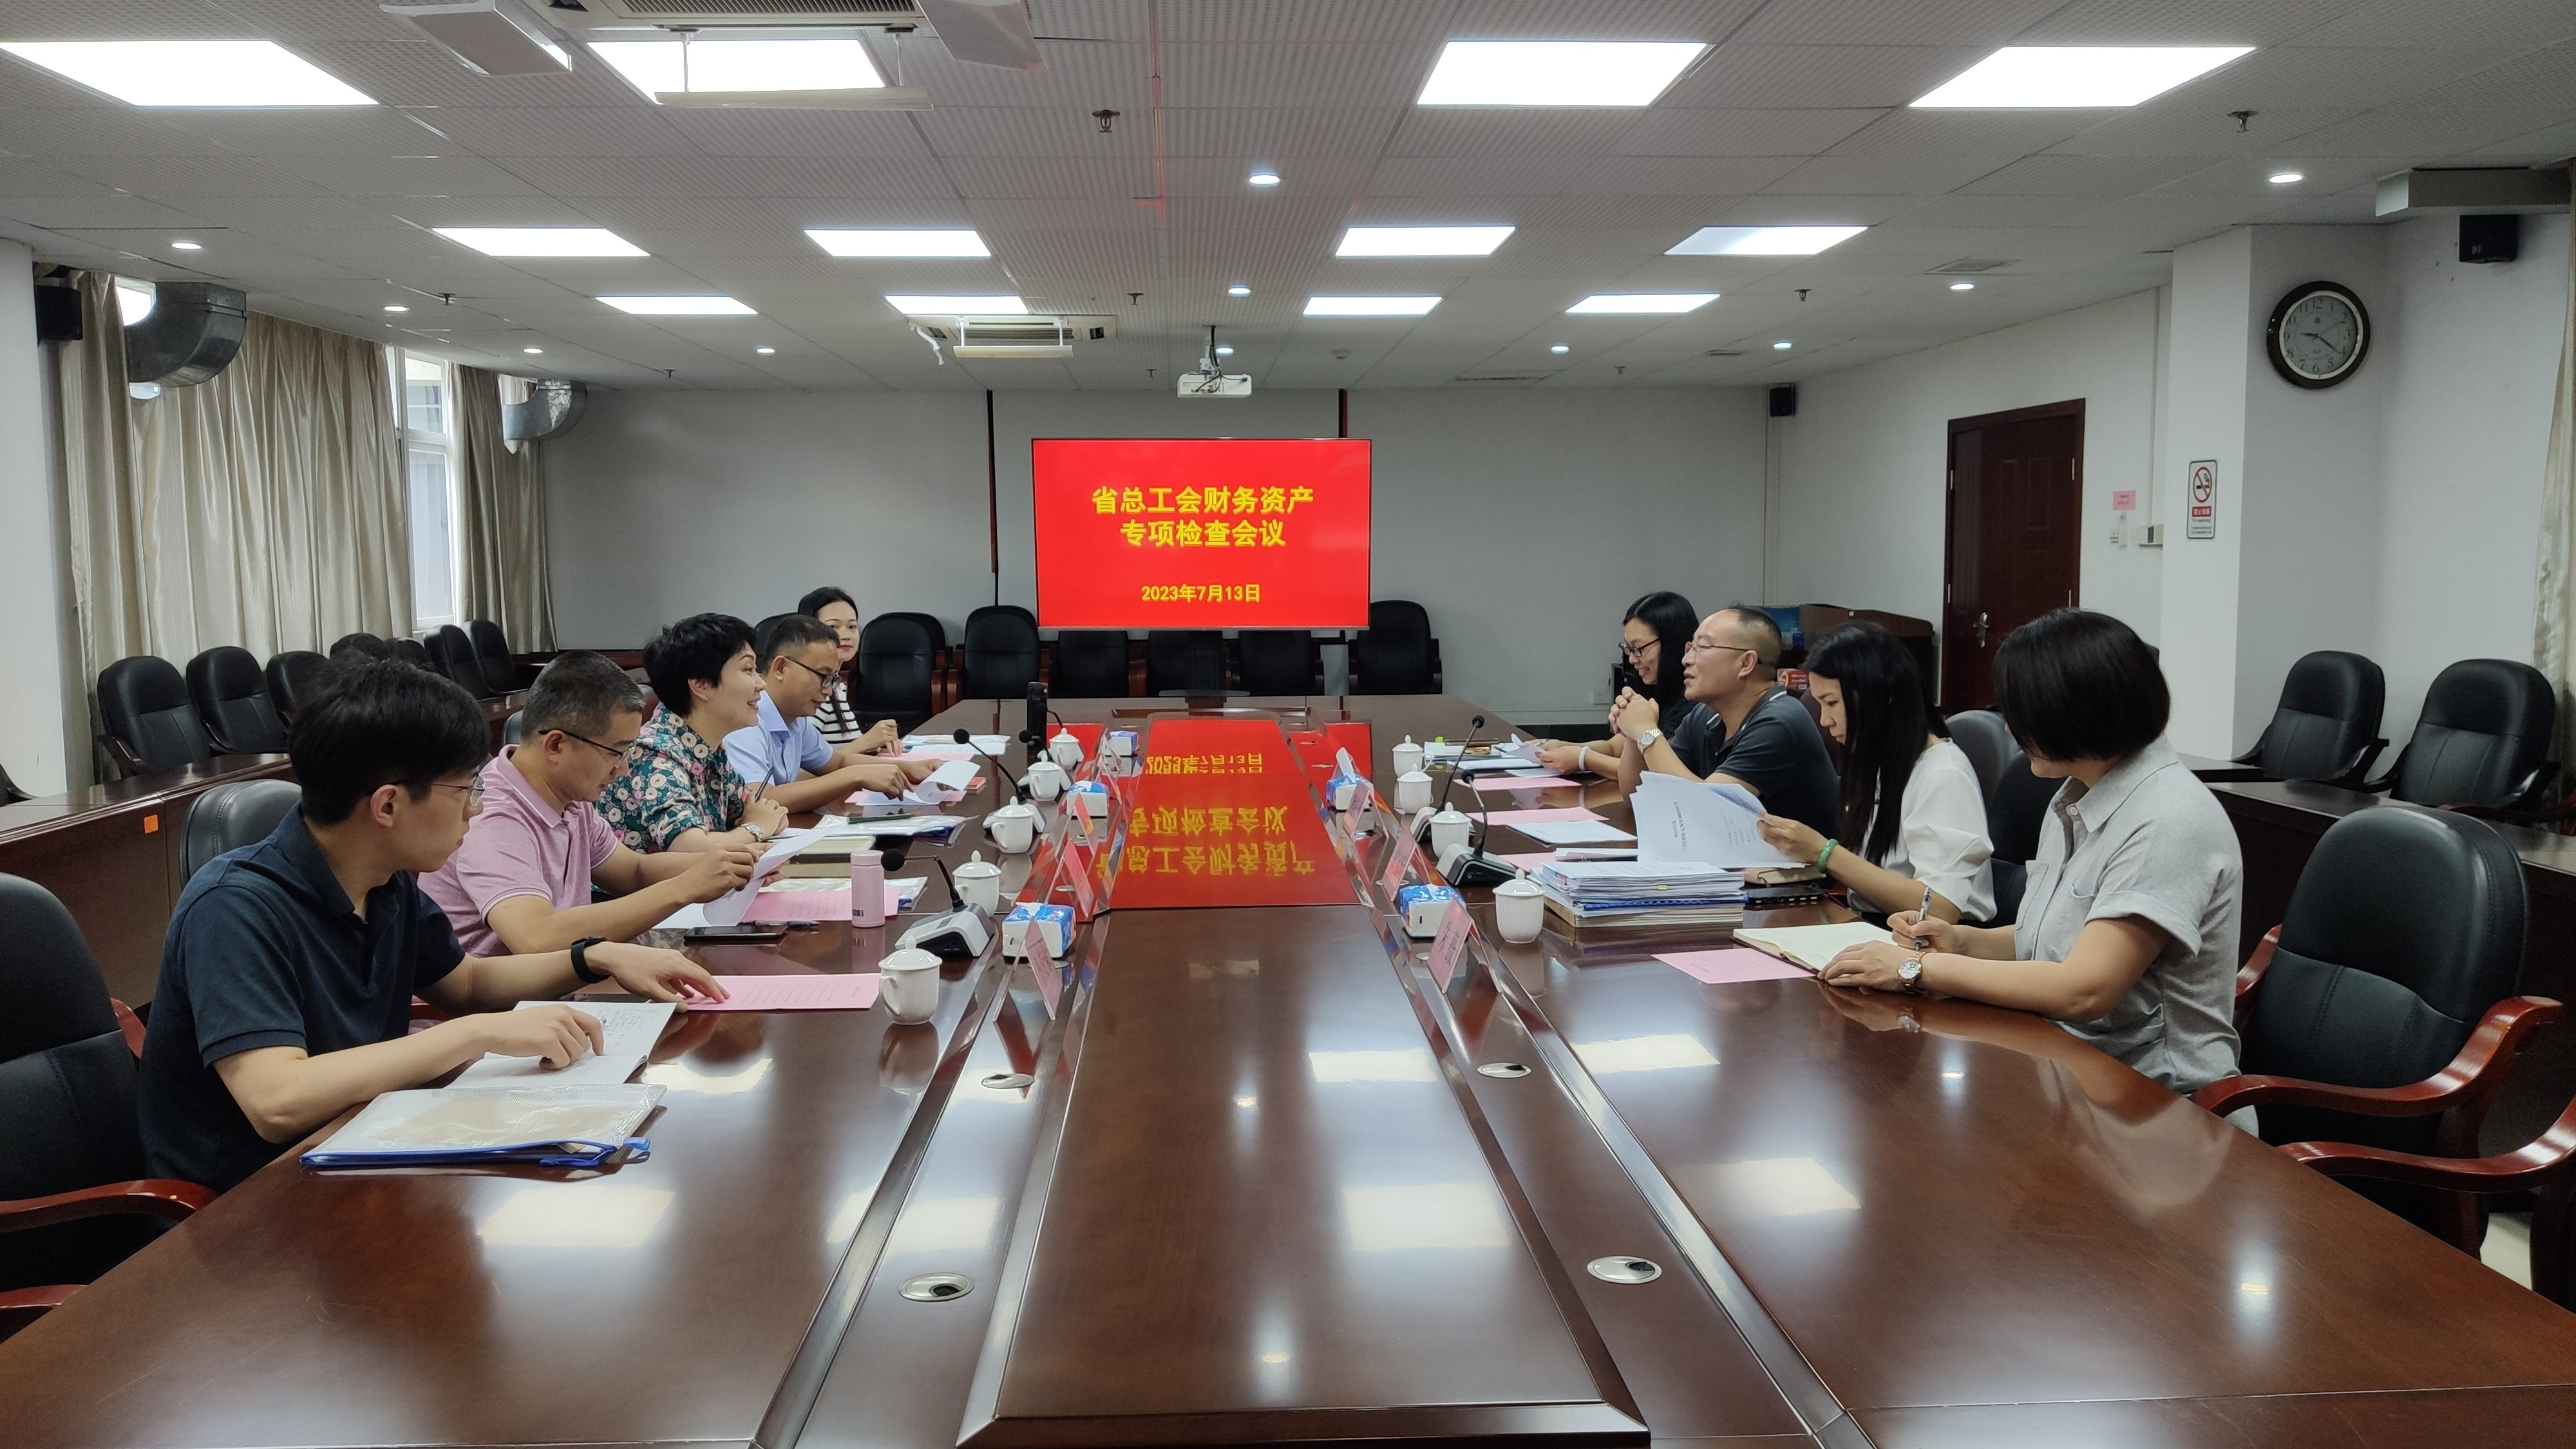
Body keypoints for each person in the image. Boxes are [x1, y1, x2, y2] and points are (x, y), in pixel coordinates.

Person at [136, 660, 726, 1193]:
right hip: (250, 1208)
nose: (477, 807)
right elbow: (277, 1101)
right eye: (466, 788)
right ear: (388, 806)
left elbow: (467, 983)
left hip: (363, 1153)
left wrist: (592, 957)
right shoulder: (234, 907)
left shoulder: (385, 880)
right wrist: (476, 1034)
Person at [1816, 609, 2243, 1095]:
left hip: (2154, 1098)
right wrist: (1961, 942)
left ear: (2072, 710)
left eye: (2021, 713)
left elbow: (2084, 990)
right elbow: (2053, 937)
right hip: (2060, 1064)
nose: (2007, 731)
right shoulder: (2075, 795)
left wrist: (1915, 969)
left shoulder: (2168, 817)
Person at [422, 650, 759, 954]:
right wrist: (685, 887)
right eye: (616, 752)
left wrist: (727, 866)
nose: (622, 769)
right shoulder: (495, 817)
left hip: (562, 988)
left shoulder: (570, 796)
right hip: (508, 1001)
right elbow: (536, 938)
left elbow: (633, 872)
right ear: (556, 745)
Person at [1754, 623, 1994, 922]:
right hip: (1874, 923)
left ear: (1882, 695)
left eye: (1832, 703)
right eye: (1820, 705)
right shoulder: (1877, 760)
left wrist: (1825, 854)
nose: (1825, 720)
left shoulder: (1943, 774)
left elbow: (1939, 908)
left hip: (1929, 939)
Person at [1611, 605, 1839, 835]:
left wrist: (1647, 732)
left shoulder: (1779, 721)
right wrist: (1632, 733)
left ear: (1746, 663)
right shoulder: (1705, 715)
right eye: (1691, 648)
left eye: (1702, 647)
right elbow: (1635, 795)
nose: (1686, 659)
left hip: (1789, 859)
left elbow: (1710, 811)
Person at [596, 613, 790, 854]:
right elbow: (689, 847)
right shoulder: (654, 752)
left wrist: (761, 821)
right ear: (701, 685)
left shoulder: (710, 750)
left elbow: (765, 813)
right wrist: (755, 829)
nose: (761, 684)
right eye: (748, 669)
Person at [728, 613, 932, 813]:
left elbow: (838, 763)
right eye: (823, 676)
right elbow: (761, 799)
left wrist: (907, 768)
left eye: (833, 679)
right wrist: (855, 776)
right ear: (781, 668)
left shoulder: (796, 720)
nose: (828, 691)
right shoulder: (747, 720)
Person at [1536, 591, 1695, 778]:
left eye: (1638, 649)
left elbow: (1660, 773)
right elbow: (1614, 747)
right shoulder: (1656, 692)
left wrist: (1584, 759)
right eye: (1629, 649)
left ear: (1675, 644)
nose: (1632, 660)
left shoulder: (1695, 704)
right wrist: (1560, 747)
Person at [799, 585, 899, 753]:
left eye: (852, 627)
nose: (846, 635)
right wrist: (866, 741)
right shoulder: (813, 689)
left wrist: (877, 744)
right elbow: (806, 763)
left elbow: (841, 749)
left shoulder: (837, 685)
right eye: (833, 627)